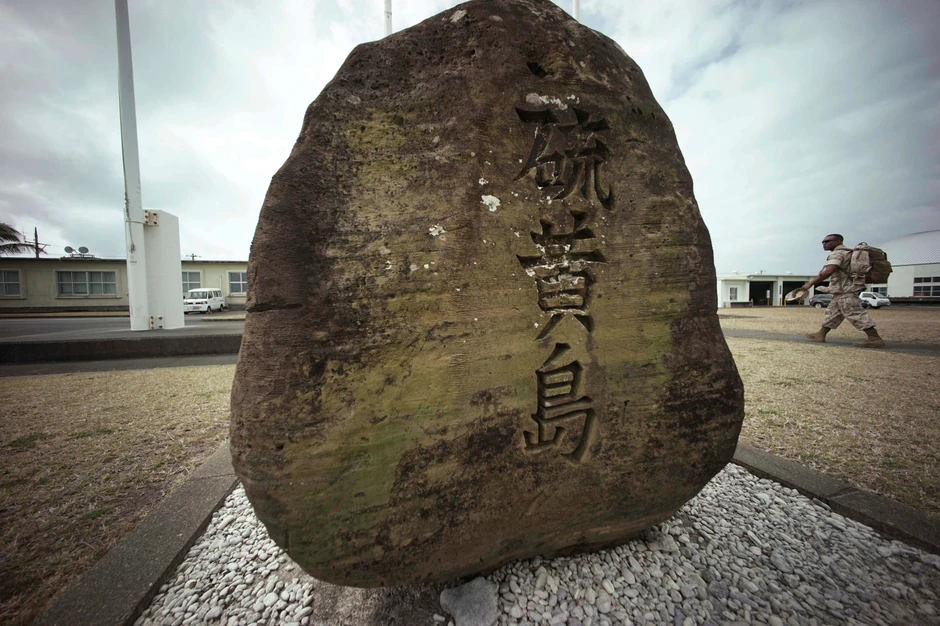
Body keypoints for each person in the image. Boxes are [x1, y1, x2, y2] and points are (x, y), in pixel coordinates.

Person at [798, 234, 885, 348]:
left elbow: (829, 270)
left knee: (854, 312)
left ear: (838, 241)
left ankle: (874, 338)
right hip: (841, 290)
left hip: (846, 290)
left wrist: (810, 284)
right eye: (823, 242)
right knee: (832, 313)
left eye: (828, 241)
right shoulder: (848, 253)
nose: (824, 244)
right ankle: (821, 334)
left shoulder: (837, 254)